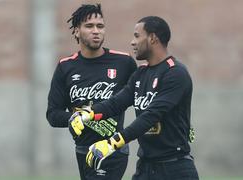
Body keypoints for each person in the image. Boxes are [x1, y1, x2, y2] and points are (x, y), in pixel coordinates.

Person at [73, 16, 199, 179]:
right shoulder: (141, 73)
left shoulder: (175, 73)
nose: (132, 42)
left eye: (137, 36)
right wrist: (87, 114)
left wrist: (112, 143)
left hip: (175, 168)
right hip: (145, 167)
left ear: (153, 38)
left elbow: (151, 116)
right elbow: (115, 103)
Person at [46, 4, 137, 180]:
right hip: (82, 150)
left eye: (100, 26)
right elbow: (53, 114)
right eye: (89, 26)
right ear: (77, 31)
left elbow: (143, 98)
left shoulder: (124, 62)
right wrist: (73, 119)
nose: (96, 31)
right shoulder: (65, 67)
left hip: (112, 151)